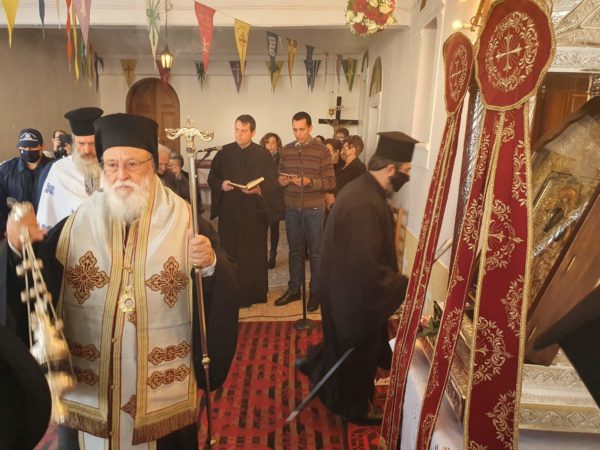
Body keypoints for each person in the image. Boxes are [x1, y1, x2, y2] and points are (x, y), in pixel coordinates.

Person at [2, 113, 240, 450]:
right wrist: (17, 247)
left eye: (132, 164)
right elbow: (38, 284)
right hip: (91, 393)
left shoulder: (188, 221)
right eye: (112, 165)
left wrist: (212, 264)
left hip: (162, 393)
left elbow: (222, 285)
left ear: (153, 166)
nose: (121, 175)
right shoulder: (74, 225)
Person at [299, 131, 415, 424]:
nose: (408, 176)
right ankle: (354, 408)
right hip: (352, 297)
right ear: (391, 168)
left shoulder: (363, 190)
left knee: (344, 348)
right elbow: (366, 267)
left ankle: (317, 367)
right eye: (406, 170)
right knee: (355, 355)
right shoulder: (365, 203)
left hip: (343, 290)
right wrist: (403, 284)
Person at [208, 114, 277, 307]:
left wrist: (259, 189)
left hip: (253, 212)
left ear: (253, 132)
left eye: (244, 131)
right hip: (230, 211)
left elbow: (272, 181)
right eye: (237, 129)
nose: (239, 134)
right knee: (229, 251)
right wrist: (221, 185)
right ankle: (230, 293)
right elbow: (212, 177)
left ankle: (253, 293)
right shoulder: (224, 152)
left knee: (251, 253)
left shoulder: (263, 154)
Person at [275, 112, 335, 312]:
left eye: (302, 129)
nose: (298, 134)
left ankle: (315, 292)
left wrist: (310, 182)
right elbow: (279, 176)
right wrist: (281, 180)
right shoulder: (287, 150)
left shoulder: (322, 151)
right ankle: (294, 289)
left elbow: (331, 182)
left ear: (310, 128)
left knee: (316, 253)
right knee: (294, 251)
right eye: (295, 130)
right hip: (292, 207)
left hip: (314, 209)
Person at [36, 107, 103, 230]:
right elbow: (47, 217)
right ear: (73, 142)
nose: (87, 150)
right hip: (68, 238)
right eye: (81, 143)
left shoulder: (112, 166)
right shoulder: (58, 170)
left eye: (92, 143)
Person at [0, 128, 51, 233]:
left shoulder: (54, 168)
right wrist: (5, 228)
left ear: (42, 146)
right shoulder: (7, 169)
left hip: (47, 230)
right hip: (16, 229)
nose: (27, 150)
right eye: (23, 147)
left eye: (32, 146)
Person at [260, 132, 285, 269]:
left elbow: (281, 178)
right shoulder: (259, 157)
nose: (270, 145)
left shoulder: (281, 159)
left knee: (274, 228)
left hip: (275, 198)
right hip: (262, 197)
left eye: (273, 143)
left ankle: (272, 255)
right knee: (262, 229)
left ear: (277, 145)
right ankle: (262, 255)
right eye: (267, 142)